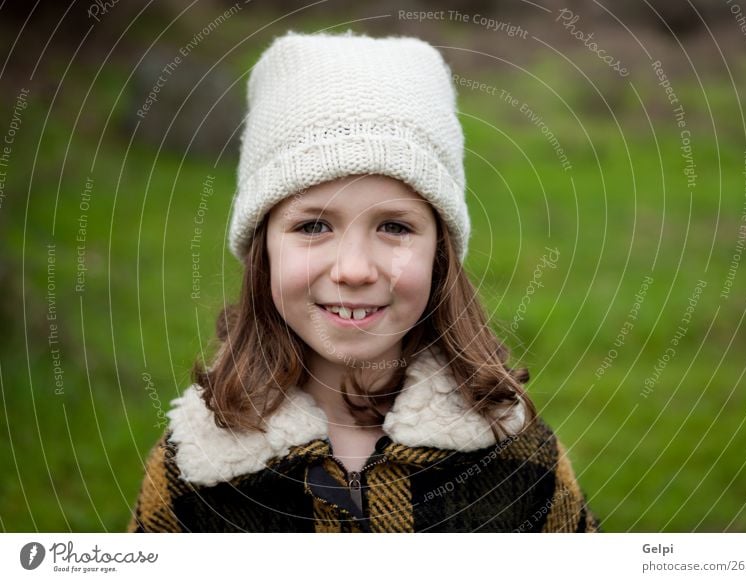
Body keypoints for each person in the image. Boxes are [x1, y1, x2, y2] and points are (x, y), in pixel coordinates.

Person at [127, 30, 600, 533]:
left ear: (440, 254)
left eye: (394, 227)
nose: (354, 269)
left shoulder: (516, 459)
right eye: (313, 226)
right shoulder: (197, 472)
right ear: (262, 248)